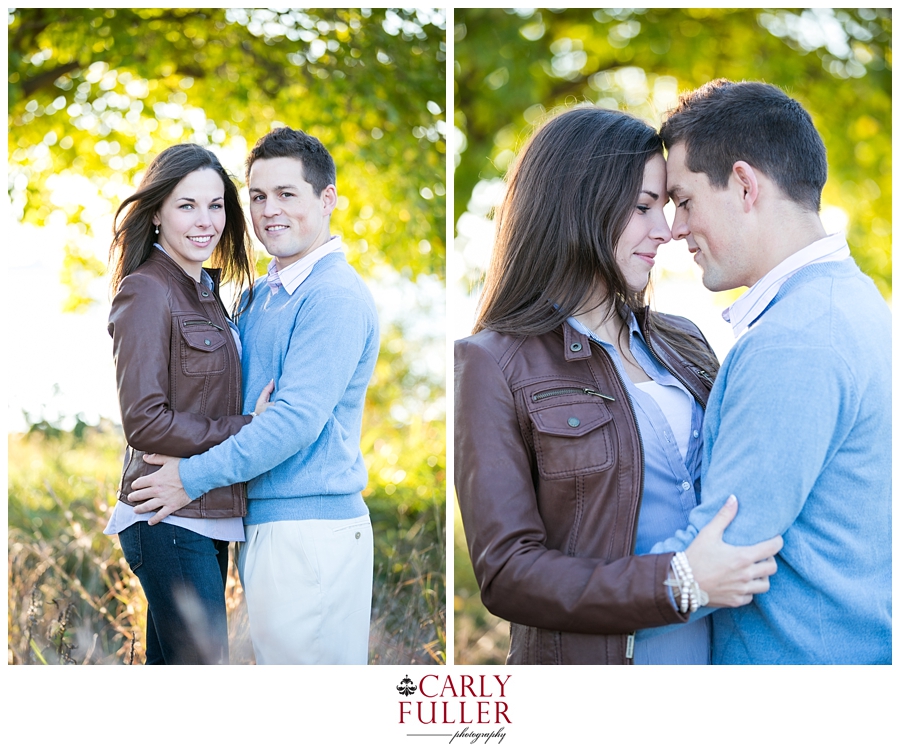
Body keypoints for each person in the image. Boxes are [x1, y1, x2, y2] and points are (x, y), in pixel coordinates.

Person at [454, 106, 782, 665]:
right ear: (577, 204)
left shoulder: (684, 342)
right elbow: (507, 573)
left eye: (670, 207)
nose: (668, 230)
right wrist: (673, 583)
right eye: (642, 208)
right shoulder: (492, 362)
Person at [653, 80, 891, 664]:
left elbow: (720, 552)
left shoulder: (796, 342)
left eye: (683, 200)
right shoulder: (854, 304)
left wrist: (554, 594)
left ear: (742, 184)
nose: (675, 229)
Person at [126, 127, 380, 665]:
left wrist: (189, 475)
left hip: (310, 529)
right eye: (258, 196)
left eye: (287, 194)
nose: (269, 211)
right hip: (261, 522)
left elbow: (290, 423)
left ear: (327, 199)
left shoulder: (332, 296)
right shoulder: (261, 295)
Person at [105, 143, 272, 664]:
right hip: (167, 521)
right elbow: (144, 422)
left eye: (216, 205)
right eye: (187, 206)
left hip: (200, 515)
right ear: (156, 213)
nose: (206, 221)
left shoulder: (205, 292)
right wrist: (248, 428)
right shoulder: (147, 290)